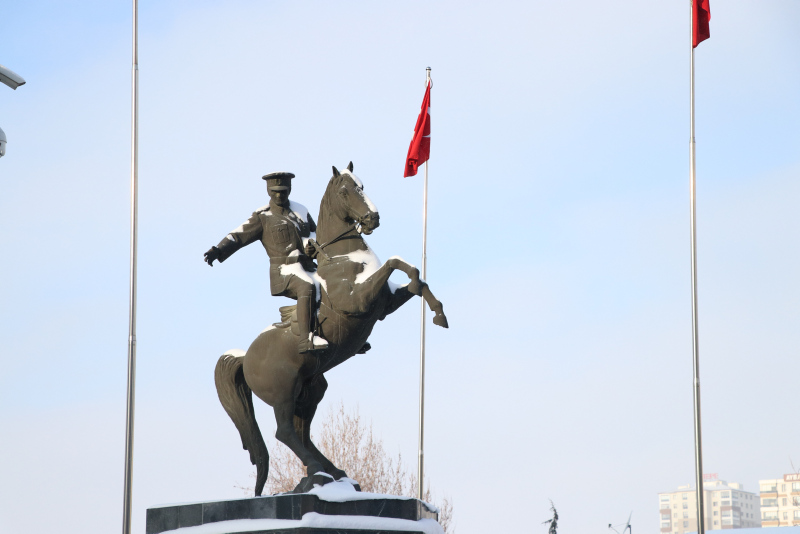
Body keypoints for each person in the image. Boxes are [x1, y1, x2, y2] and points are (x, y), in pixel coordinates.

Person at [204, 172, 327, 354]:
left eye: (283, 191)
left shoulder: (301, 212)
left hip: (307, 267)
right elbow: (238, 236)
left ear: (289, 190)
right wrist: (218, 250)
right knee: (306, 287)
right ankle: (305, 340)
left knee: (333, 284)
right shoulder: (263, 217)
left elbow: (316, 236)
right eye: (275, 191)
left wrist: (312, 246)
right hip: (284, 271)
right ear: (268, 191)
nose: (279, 195)